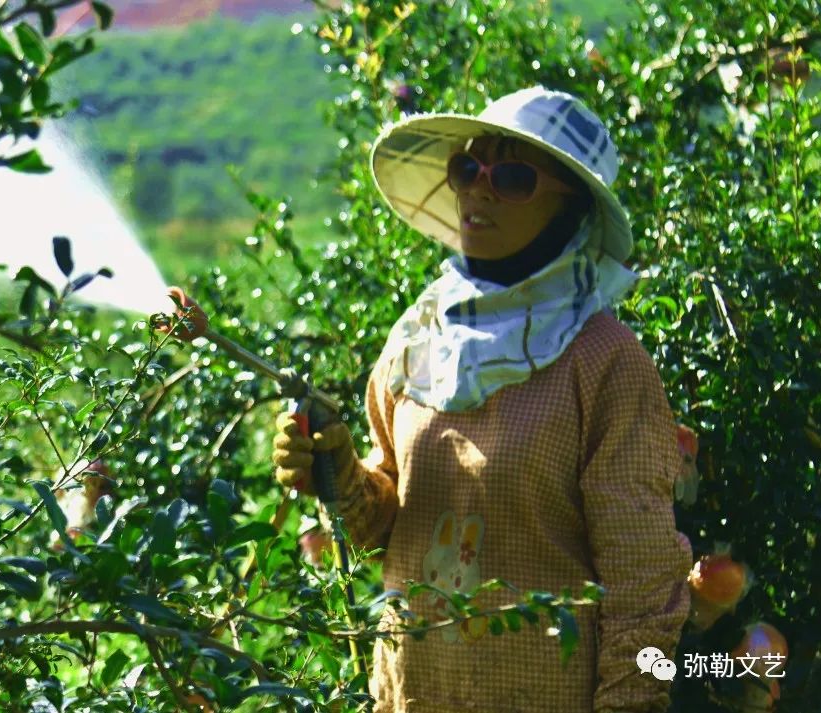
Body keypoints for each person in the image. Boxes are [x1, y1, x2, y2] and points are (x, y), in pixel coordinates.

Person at [272, 87, 692, 712]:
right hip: (416, 693)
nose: (478, 189)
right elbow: (388, 524)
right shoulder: (419, 339)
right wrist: (335, 474)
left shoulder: (603, 360)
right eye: (467, 167)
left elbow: (643, 582)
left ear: (569, 208)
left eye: (513, 177)